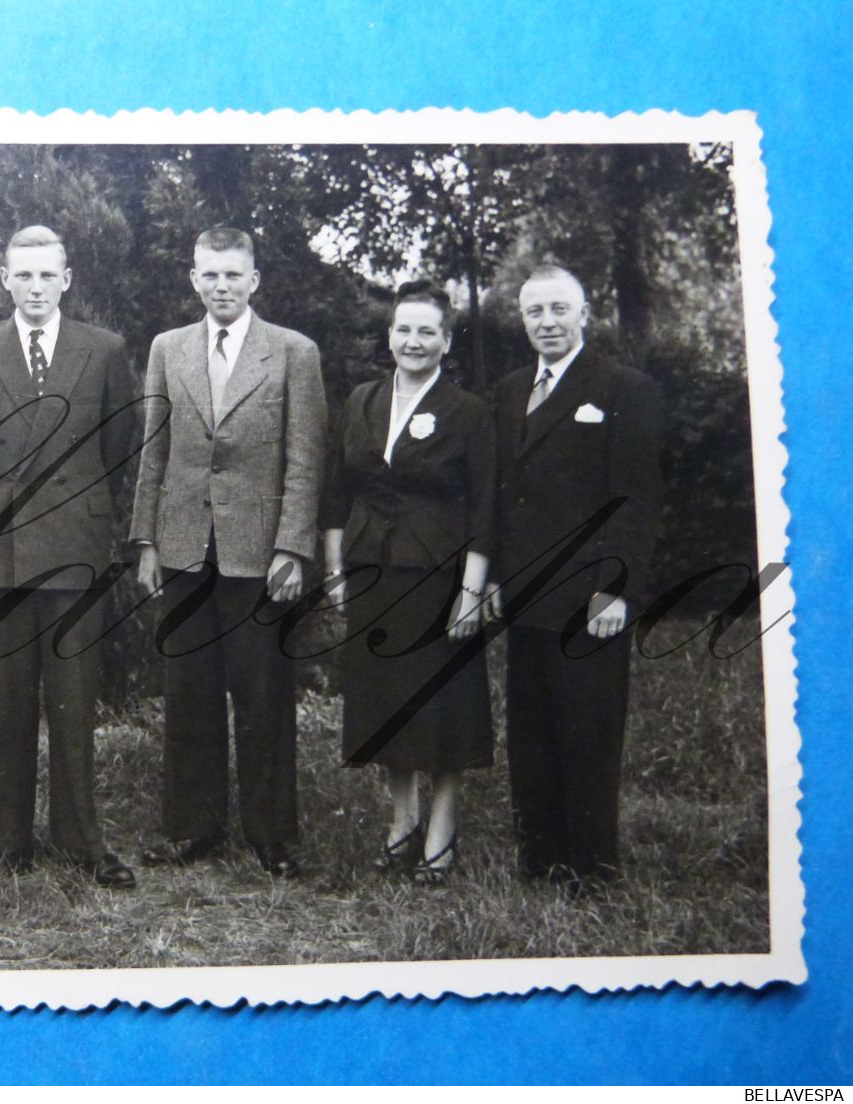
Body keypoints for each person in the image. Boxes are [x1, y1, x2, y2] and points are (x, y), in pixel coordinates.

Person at [0, 225, 140, 888]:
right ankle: (4, 842)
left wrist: (76, 514)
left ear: (66, 279)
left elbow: (119, 449)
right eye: (21, 275)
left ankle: (82, 842)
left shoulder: (104, 350)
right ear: (3, 280)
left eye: (45, 275)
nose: (33, 288)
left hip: (74, 551)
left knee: (74, 701)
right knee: (2, 702)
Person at [131, 226, 327, 878]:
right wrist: (147, 541)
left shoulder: (293, 353)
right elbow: (152, 452)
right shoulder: (168, 350)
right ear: (194, 278)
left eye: (232, 275)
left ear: (253, 280)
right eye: (209, 274)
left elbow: (304, 459)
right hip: (186, 548)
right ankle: (193, 829)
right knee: (187, 693)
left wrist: (292, 548)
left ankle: (272, 836)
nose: (220, 285)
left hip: (258, 556)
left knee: (263, 694)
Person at [488, 263, 663, 895]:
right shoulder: (508, 391)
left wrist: (618, 589)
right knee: (531, 729)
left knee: (588, 727)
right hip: (524, 593)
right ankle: (540, 859)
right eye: (535, 312)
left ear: (585, 312)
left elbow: (636, 500)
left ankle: (592, 868)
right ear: (522, 319)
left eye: (559, 309)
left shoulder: (623, 388)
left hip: (591, 596)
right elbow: (503, 498)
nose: (547, 322)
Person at [320, 280, 495, 884]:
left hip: (440, 578)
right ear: (389, 335)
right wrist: (336, 570)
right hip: (373, 573)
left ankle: (441, 834)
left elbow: (484, 508)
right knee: (386, 703)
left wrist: (472, 591)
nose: (413, 341)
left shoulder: (468, 411)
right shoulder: (362, 400)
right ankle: (402, 823)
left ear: (446, 342)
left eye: (427, 331)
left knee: (442, 709)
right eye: (404, 329)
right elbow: (336, 493)